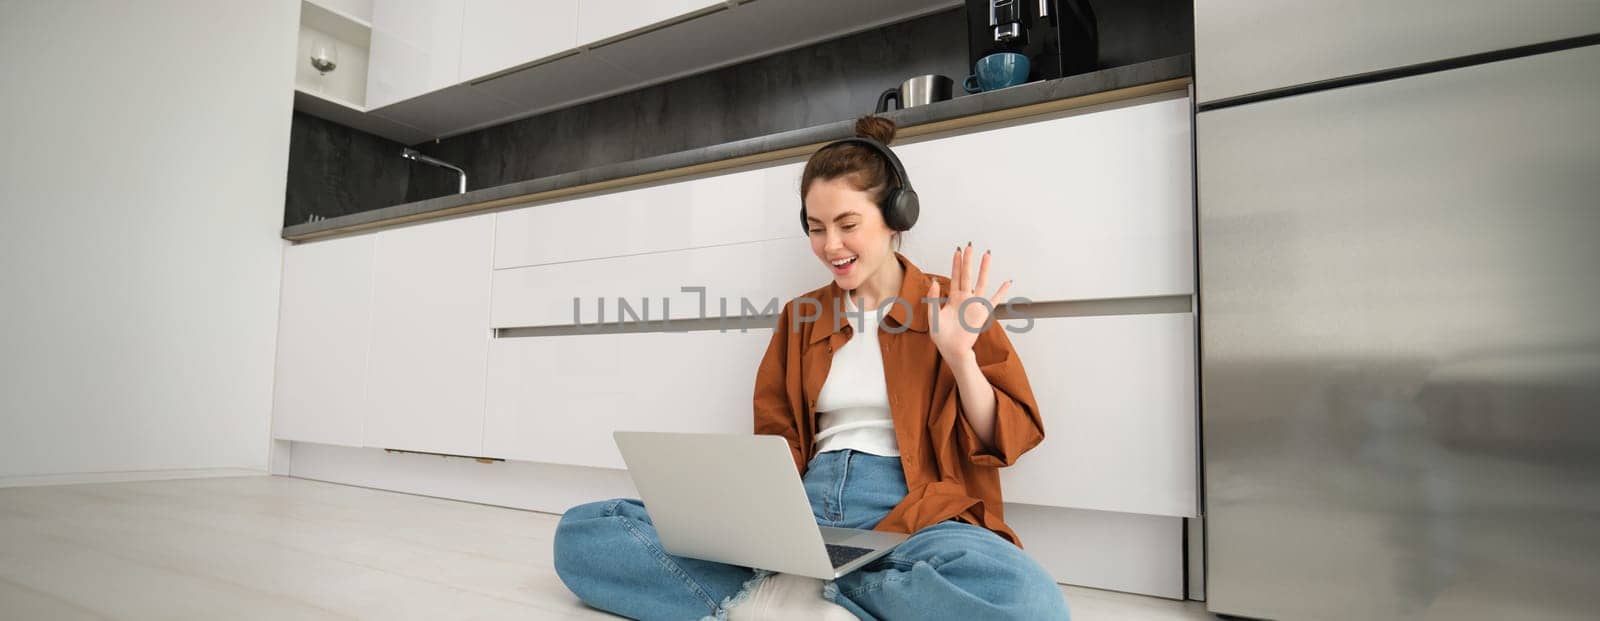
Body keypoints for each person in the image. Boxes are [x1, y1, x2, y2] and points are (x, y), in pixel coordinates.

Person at [553, 115, 1068, 621]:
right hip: (806, 507)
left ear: (896, 217)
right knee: (586, 531)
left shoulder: (952, 304)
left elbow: (1009, 438)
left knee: (1028, 602)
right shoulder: (802, 317)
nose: (831, 246)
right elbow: (776, 441)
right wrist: (753, 522)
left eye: (848, 225)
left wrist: (959, 356)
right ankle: (802, 593)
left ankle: (793, 596)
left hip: (917, 515)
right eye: (817, 228)